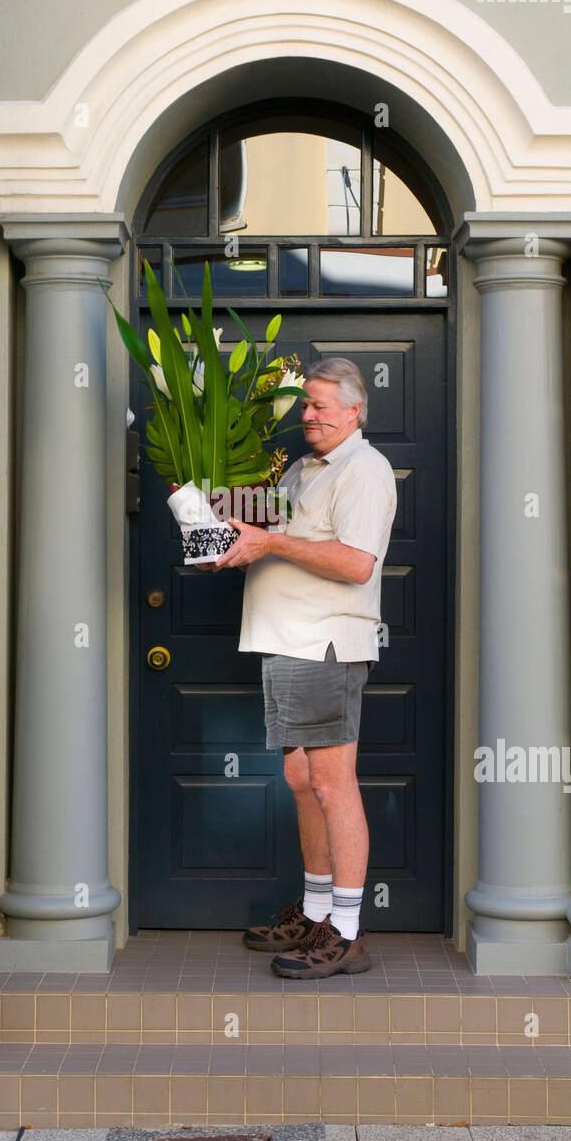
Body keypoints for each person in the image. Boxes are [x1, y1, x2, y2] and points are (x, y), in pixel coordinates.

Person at [212, 357, 396, 978]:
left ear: (354, 411)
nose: (308, 416)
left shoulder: (364, 471)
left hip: (324, 646)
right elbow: (273, 531)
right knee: (301, 781)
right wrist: (218, 524)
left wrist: (271, 544)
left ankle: (346, 932)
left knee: (330, 782)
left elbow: (355, 564)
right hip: (287, 642)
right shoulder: (303, 468)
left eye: (319, 406)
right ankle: (318, 909)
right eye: (306, 405)